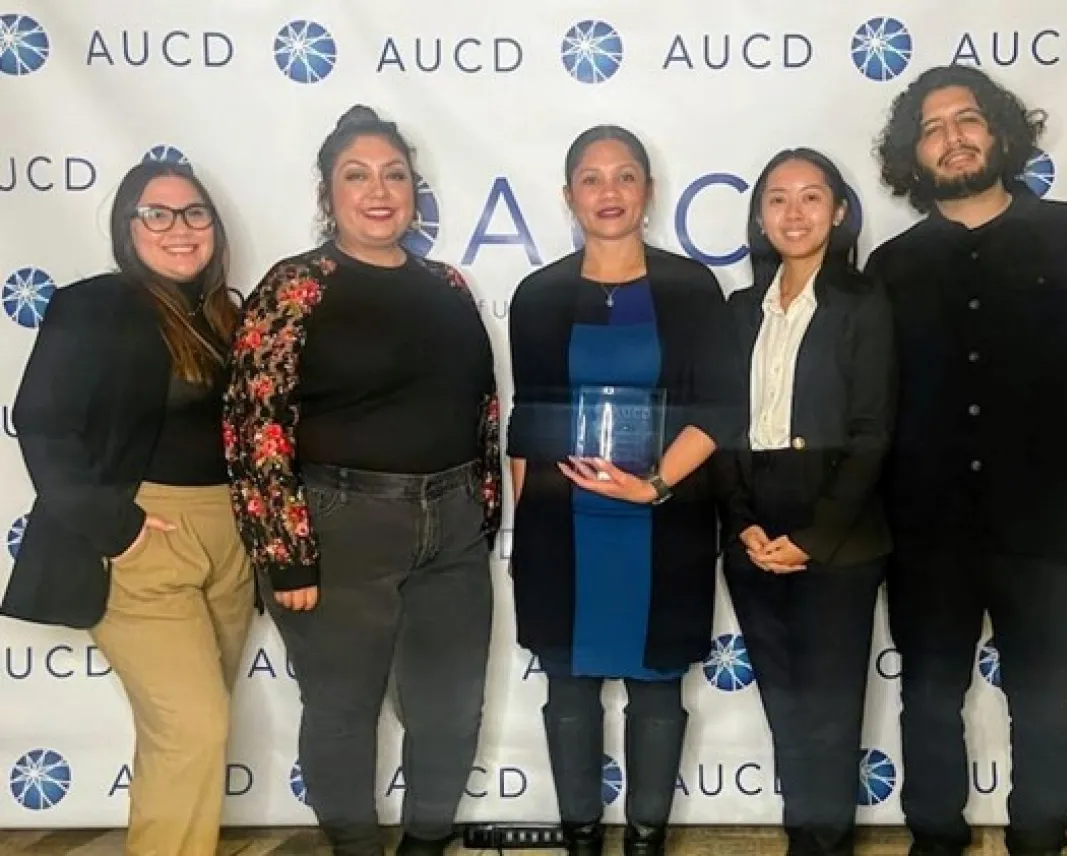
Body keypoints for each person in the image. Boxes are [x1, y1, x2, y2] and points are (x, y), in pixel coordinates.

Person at [865, 65, 1067, 856]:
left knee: (1044, 705)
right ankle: (936, 841)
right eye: (931, 129)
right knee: (926, 701)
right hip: (925, 535)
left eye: (967, 120)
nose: (952, 138)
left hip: (1053, 527)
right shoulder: (892, 266)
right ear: (912, 157)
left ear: (999, 132)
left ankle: (1040, 844)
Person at [223, 105, 501, 856]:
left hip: (451, 527)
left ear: (414, 190)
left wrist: (481, 520)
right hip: (340, 524)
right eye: (357, 175)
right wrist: (285, 550)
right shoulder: (295, 286)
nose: (378, 191)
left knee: (451, 711)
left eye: (394, 175)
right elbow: (256, 424)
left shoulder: (448, 285)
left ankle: (424, 845)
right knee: (343, 709)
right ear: (327, 193)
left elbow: (481, 409)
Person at [1, 160, 252, 855]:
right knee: (195, 727)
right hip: (146, 536)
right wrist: (122, 529)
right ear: (127, 227)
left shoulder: (231, 317)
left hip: (232, 542)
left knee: (185, 740)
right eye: (158, 214)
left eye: (194, 213)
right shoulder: (94, 306)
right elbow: (43, 423)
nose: (180, 228)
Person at [506, 125, 743, 856]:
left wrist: (655, 485)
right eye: (591, 178)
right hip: (562, 523)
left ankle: (645, 840)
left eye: (625, 176)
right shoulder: (538, 294)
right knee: (570, 688)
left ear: (647, 190)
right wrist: (526, 529)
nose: (609, 193)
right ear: (569, 194)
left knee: (657, 686)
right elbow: (527, 419)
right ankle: (580, 837)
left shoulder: (691, 288)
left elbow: (720, 408)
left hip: (661, 517)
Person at [714, 148, 894, 856]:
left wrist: (815, 537)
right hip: (754, 521)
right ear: (759, 216)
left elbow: (873, 433)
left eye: (810, 197)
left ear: (839, 211)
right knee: (785, 710)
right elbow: (724, 425)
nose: (794, 212)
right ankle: (804, 840)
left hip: (839, 532)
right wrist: (743, 524)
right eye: (777, 199)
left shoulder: (864, 304)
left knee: (828, 713)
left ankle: (829, 844)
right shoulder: (738, 310)